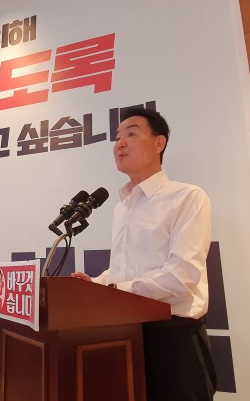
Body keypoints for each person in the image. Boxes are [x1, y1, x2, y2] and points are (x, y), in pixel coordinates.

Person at [71, 107, 217, 401]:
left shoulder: (187, 197)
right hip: (123, 335)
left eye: (132, 134)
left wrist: (113, 291)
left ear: (159, 143)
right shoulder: (122, 205)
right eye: (117, 137)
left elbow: (182, 277)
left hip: (172, 338)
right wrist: (95, 285)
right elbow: (123, 270)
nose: (120, 144)